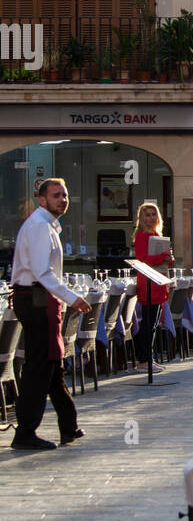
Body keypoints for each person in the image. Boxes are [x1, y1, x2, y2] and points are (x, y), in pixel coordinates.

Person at [10, 177, 91, 452]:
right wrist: (73, 298)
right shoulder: (39, 226)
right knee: (39, 367)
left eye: (65, 195)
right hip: (36, 299)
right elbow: (43, 273)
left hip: (41, 299)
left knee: (53, 366)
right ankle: (25, 433)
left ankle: (69, 425)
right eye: (56, 195)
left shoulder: (47, 225)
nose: (62, 200)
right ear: (42, 199)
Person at [132, 200, 173, 371]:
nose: (151, 217)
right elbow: (142, 259)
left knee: (154, 323)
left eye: (153, 214)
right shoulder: (142, 236)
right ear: (141, 218)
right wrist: (162, 257)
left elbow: (164, 261)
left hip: (159, 281)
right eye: (147, 215)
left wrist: (169, 259)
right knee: (149, 323)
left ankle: (148, 358)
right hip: (148, 282)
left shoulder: (156, 235)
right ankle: (143, 360)